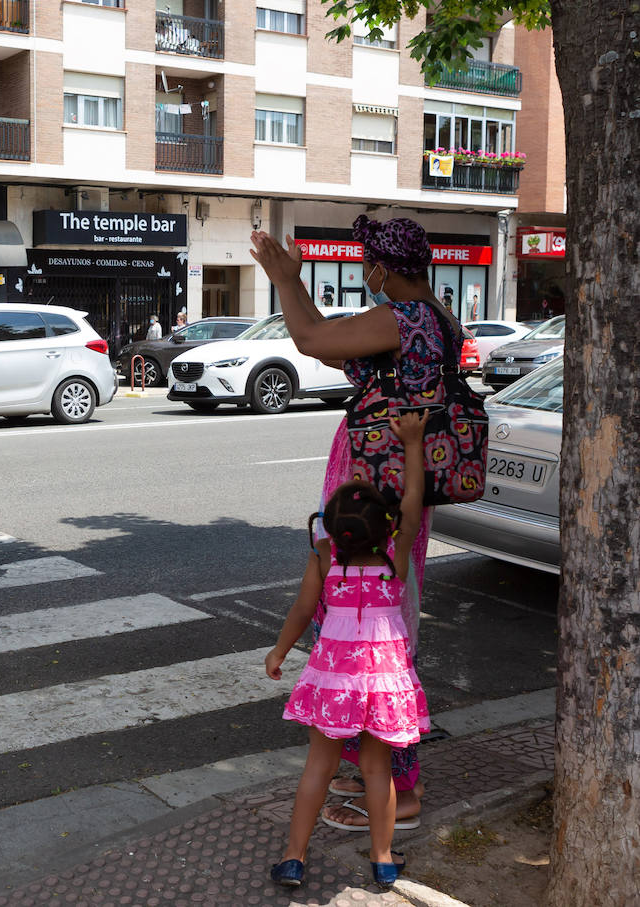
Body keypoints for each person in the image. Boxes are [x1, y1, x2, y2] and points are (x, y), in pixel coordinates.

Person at [251, 214, 465, 832]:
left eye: (368, 262)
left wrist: (285, 279)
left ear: (383, 267)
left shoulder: (406, 317)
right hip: (400, 484)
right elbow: (329, 337)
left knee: (378, 633)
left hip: (382, 485)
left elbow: (312, 340)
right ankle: (370, 763)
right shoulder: (439, 315)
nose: (365, 272)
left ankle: (402, 788)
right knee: (379, 626)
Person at [266, 412, 431, 890]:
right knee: (377, 769)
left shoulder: (324, 559)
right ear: (387, 528)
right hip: (383, 682)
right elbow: (415, 505)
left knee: (319, 765)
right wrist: (413, 445)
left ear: (331, 532)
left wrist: (279, 652)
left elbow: (301, 611)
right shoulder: (393, 561)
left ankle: (294, 857)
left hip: (333, 680)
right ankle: (382, 860)